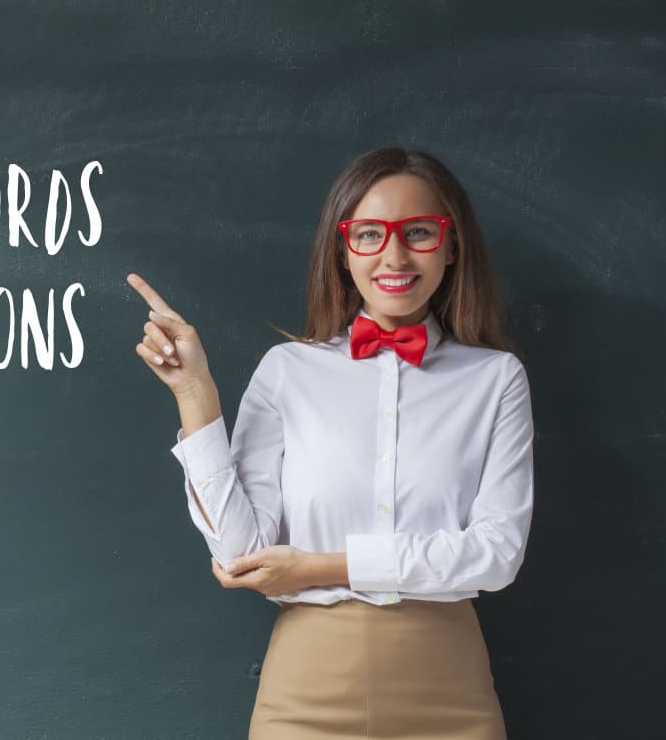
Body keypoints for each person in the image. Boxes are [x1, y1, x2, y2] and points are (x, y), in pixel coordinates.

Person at [127, 145, 534, 739]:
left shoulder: (496, 379)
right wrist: (195, 393)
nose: (393, 255)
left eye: (417, 231)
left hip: (451, 692)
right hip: (305, 694)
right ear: (343, 253)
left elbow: (497, 555)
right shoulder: (287, 370)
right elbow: (242, 549)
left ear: (452, 245)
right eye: (369, 234)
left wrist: (320, 566)